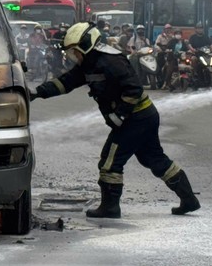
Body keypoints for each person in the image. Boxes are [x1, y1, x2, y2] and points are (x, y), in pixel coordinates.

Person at [30, 22, 200, 218]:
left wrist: (120, 114)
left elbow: (134, 89)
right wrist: (37, 92)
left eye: (74, 51)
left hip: (136, 118)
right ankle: (189, 200)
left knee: (110, 162)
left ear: (86, 45)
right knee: (153, 159)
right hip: (142, 116)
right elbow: (65, 82)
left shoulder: (110, 61)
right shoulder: (88, 64)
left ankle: (110, 207)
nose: (72, 57)